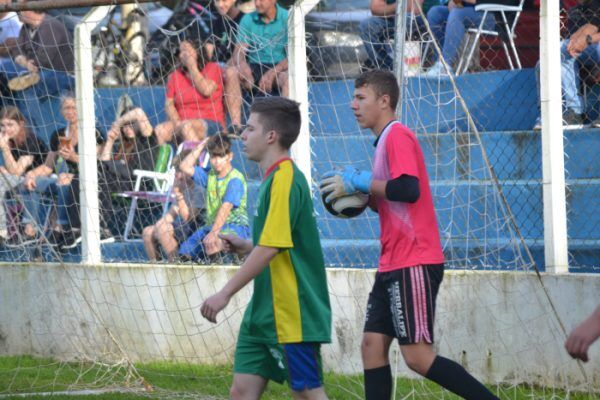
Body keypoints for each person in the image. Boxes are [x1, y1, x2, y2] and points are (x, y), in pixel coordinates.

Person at [320, 70, 498, 400]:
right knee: (371, 347)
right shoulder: (383, 142)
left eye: (360, 98)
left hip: (413, 260)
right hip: (392, 262)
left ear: (384, 101)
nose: (352, 105)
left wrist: (362, 183)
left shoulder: (398, 135)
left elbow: (408, 189)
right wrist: (361, 200)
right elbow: (390, 201)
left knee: (417, 357)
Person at [200, 97, 331, 400]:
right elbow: (274, 244)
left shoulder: (286, 179)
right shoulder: (272, 180)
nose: (242, 135)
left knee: (308, 393)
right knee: (241, 392)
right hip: (262, 311)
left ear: (271, 136)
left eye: (249, 128)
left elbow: (271, 247)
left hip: (291, 312)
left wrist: (224, 293)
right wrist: (248, 245)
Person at [18, 94, 107, 249]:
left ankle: (61, 228)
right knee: (30, 183)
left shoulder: (93, 132)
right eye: (67, 108)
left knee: (65, 182)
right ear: (61, 111)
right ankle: (30, 229)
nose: (70, 111)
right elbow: (47, 166)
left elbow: (95, 163)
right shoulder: (58, 134)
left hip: (85, 177)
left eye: (74, 108)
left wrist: (72, 157)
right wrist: (31, 174)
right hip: (61, 176)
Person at [178, 134, 249, 261]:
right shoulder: (209, 175)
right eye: (213, 156)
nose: (216, 161)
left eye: (221, 156)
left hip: (235, 226)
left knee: (213, 244)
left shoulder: (235, 179)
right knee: (185, 252)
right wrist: (203, 144)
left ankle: (220, 270)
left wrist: (214, 233)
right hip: (211, 226)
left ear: (229, 156)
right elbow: (184, 166)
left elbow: (226, 207)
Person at [1, 4, 74, 127]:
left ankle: (31, 126)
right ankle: (5, 119)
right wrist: (24, 62)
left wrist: (26, 62)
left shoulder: (51, 26)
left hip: (58, 75)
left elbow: (43, 60)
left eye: (20, 7)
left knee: (27, 87)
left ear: (30, 9)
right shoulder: (26, 27)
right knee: (3, 70)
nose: (17, 10)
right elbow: (15, 50)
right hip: (30, 70)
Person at [224, 0, 289, 134]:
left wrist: (272, 73)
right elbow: (239, 51)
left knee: (289, 79)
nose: (257, 3)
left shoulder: (287, 18)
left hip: (279, 67)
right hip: (254, 65)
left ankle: (284, 123)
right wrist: (242, 65)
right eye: (255, 0)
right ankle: (236, 125)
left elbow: (292, 56)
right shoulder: (248, 19)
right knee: (231, 72)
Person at [533, 0, 600, 129]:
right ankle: (572, 111)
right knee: (552, 55)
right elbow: (592, 25)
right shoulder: (589, 6)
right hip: (591, 47)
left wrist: (588, 39)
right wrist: (574, 40)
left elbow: (590, 33)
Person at [155, 39, 225, 145]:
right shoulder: (175, 75)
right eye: (180, 51)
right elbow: (169, 104)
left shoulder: (213, 68)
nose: (183, 54)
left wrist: (192, 67)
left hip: (210, 122)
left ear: (198, 51)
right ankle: (165, 161)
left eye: (186, 50)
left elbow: (206, 90)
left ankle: (196, 159)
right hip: (182, 123)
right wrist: (177, 122)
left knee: (186, 127)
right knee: (160, 130)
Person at [142, 148, 206, 262]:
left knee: (163, 229)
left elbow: (189, 218)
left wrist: (178, 194)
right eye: (176, 170)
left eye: (180, 171)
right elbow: (170, 215)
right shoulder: (184, 189)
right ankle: (155, 267)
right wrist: (158, 226)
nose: (177, 175)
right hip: (181, 227)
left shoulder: (199, 190)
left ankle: (175, 263)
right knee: (148, 232)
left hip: (195, 228)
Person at [0, 106, 47, 242]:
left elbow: (17, 171)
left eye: (10, 124)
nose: (5, 129)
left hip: (37, 182)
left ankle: (2, 231)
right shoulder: (10, 141)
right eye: (2, 125)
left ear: (21, 124)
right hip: (18, 182)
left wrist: (4, 149)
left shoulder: (31, 141)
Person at [424, 0, 496, 76]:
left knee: (457, 14)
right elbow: (453, 6)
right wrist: (455, 2)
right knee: (435, 13)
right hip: (468, 12)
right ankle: (438, 64)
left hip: (494, 14)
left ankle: (445, 66)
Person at [360, 0, 435, 71]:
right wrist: (398, 6)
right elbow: (375, 8)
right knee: (367, 24)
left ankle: (411, 67)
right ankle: (387, 69)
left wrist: (389, 8)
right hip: (394, 18)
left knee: (406, 18)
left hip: (424, 20)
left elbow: (414, 8)